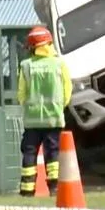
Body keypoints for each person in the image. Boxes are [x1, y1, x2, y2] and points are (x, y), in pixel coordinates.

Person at [17, 25, 72, 197]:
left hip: (32, 121)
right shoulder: (59, 64)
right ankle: (55, 189)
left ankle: (27, 190)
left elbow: (21, 94)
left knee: (29, 153)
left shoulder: (25, 66)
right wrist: (58, 107)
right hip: (54, 119)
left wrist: (29, 107)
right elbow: (67, 90)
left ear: (32, 47)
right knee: (53, 153)